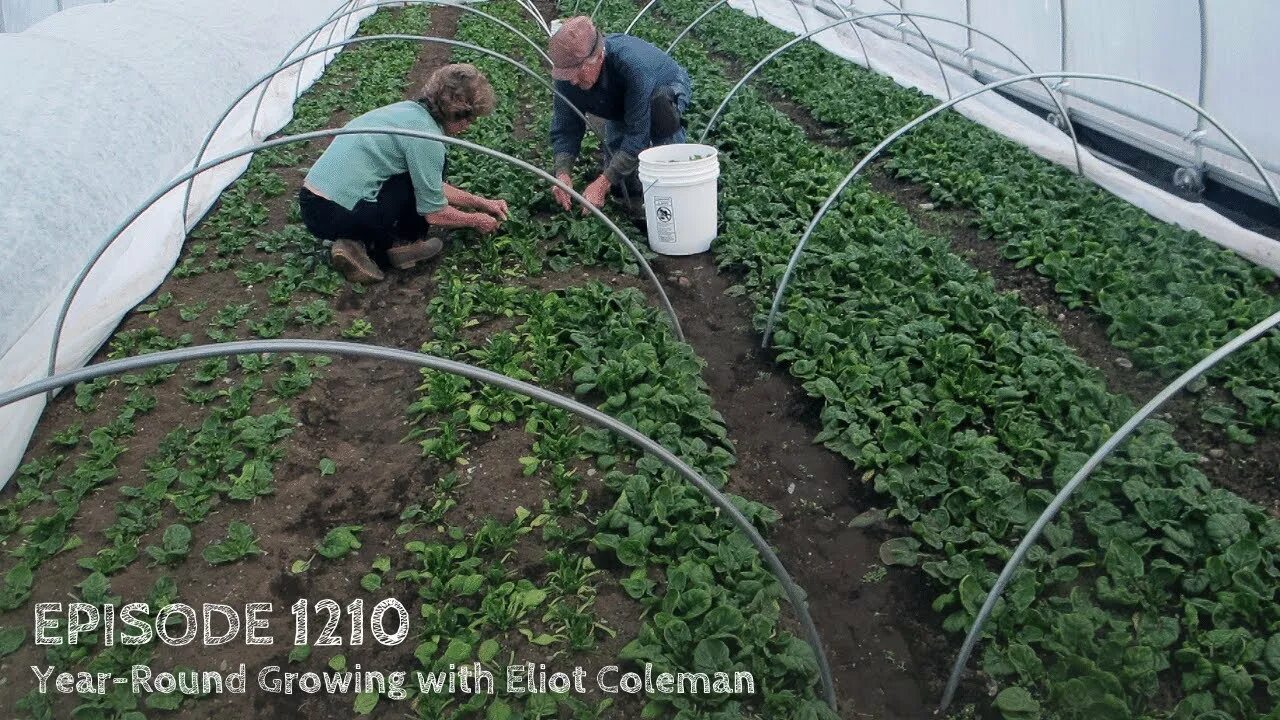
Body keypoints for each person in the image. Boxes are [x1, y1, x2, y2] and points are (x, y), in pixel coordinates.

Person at [299, 63, 510, 284]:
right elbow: (434, 212)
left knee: (407, 178)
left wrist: (480, 202)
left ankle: (355, 243)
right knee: (410, 186)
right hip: (338, 212)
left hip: (312, 203)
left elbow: (431, 185)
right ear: (457, 113)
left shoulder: (407, 111)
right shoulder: (428, 139)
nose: (469, 125)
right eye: (470, 118)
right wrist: (475, 220)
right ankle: (398, 245)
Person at [547, 16, 692, 216]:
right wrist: (562, 174)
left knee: (660, 116)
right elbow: (566, 127)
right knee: (622, 184)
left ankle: (679, 175)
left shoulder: (633, 66)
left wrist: (601, 183)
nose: (571, 79)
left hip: (663, 88)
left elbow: (638, 135)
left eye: (576, 71)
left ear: (597, 57)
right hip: (618, 102)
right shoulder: (567, 76)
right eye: (565, 73)